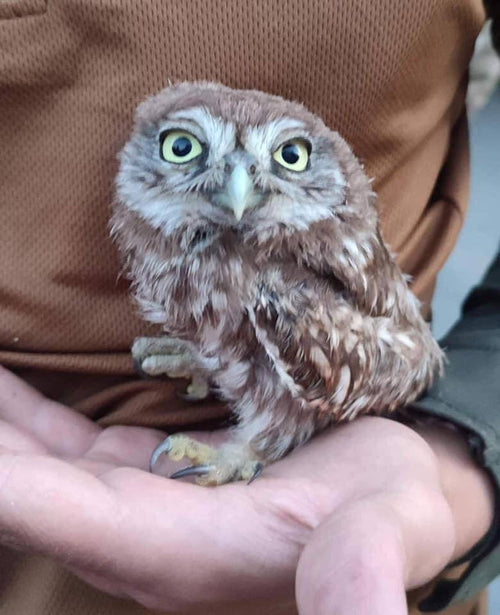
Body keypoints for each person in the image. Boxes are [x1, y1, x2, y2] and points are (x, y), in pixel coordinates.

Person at [0, 1, 498, 614]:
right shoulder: (157, 234)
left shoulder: (292, 284)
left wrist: (459, 462)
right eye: (183, 148)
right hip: (39, 486)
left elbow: (362, 362)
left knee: (285, 322)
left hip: (321, 485)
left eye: (288, 159)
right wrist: (217, 353)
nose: (237, 188)